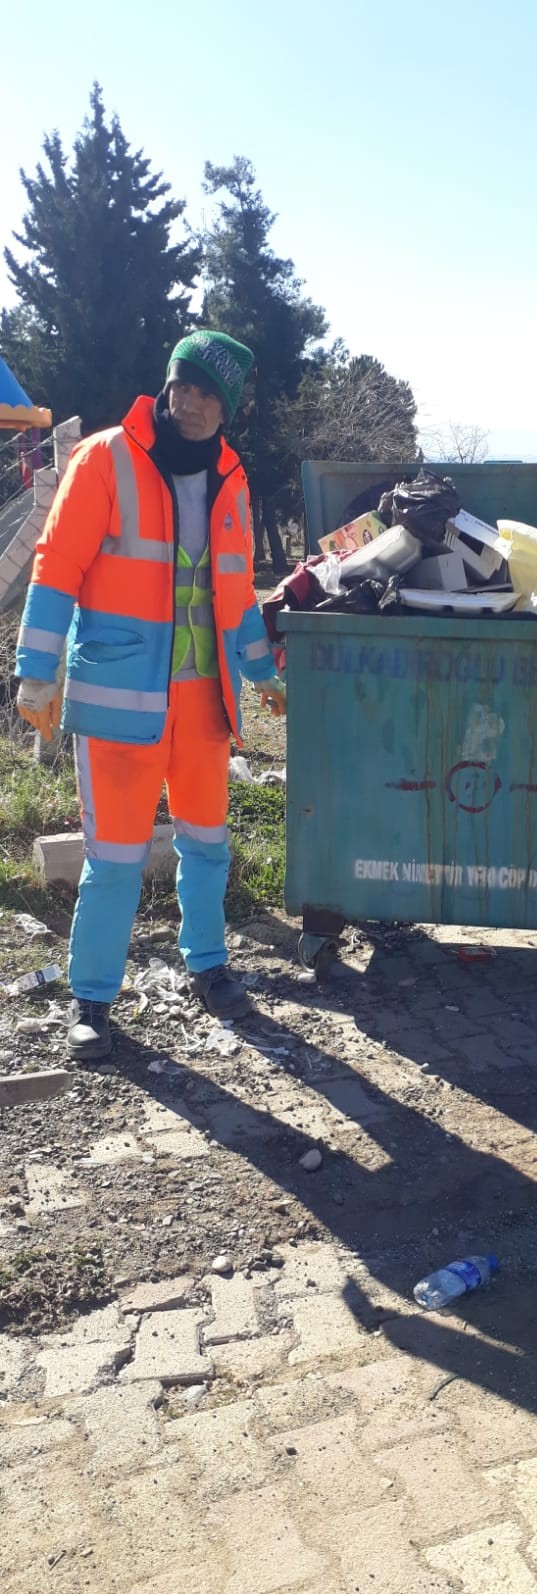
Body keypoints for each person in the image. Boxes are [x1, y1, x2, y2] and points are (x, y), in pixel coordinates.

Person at [15, 330, 286, 1065]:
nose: (192, 403)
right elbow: (58, 565)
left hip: (204, 705)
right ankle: (93, 1000)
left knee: (208, 845)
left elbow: (235, 592)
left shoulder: (231, 476)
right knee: (114, 857)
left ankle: (209, 965)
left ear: (227, 408)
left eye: (208, 393)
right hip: (119, 697)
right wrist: (35, 671)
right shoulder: (104, 457)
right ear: (166, 388)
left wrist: (263, 673)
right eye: (183, 387)